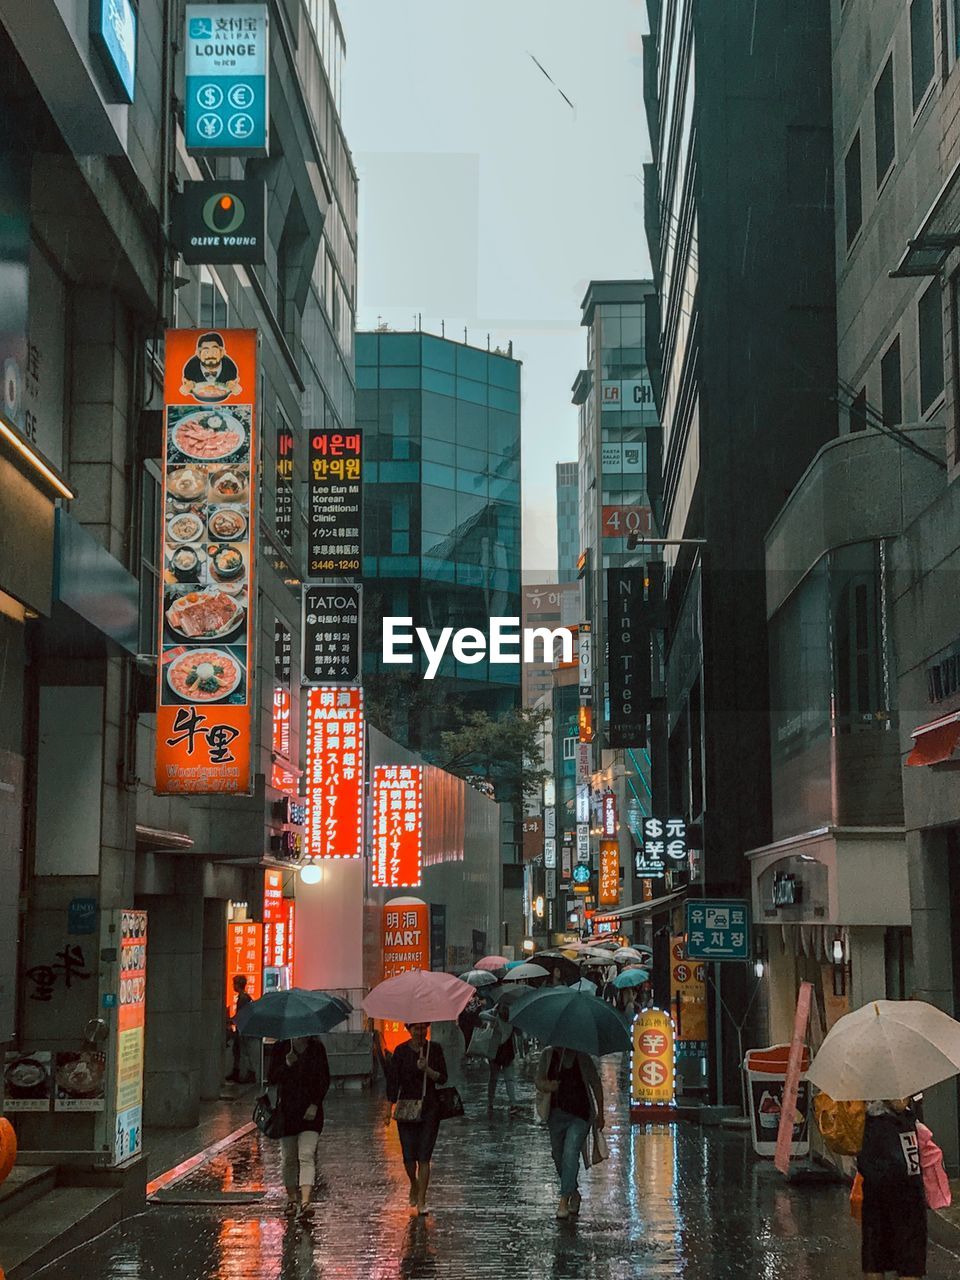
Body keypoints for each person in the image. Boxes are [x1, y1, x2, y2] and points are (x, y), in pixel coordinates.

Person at [857, 1097, 926, 1280]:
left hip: (872, 1162)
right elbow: (899, 1103)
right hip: (901, 1171)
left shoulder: (859, 1078)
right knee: (910, 1250)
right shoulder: (897, 1074)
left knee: (874, 1244)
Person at [385, 1023, 448, 1216]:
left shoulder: (434, 1049)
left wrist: (427, 1069)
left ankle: (422, 1199)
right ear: (409, 1030)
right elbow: (393, 1080)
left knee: (424, 1156)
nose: (420, 1033)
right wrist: (389, 1107)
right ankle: (414, 1183)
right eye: (416, 1029)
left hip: (429, 1108)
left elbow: (443, 1078)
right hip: (407, 1109)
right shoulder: (401, 1051)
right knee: (409, 1156)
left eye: (423, 1029)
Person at [535, 1046, 604, 1220]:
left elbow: (595, 1083)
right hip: (555, 1115)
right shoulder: (548, 1055)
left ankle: (564, 1200)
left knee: (570, 1154)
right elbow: (538, 1080)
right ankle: (573, 1191)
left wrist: (601, 1112)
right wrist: (548, 1085)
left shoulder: (583, 1057)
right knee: (558, 1156)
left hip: (579, 1115)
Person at [267, 1036, 331, 1218]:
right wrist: (286, 1065)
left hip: (311, 1113)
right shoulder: (281, 1047)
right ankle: (292, 1199)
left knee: (306, 1155)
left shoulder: (316, 1048)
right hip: (287, 1113)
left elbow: (324, 1079)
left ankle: (305, 1201)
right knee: (288, 1158)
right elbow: (271, 1078)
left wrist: (315, 1103)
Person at [180, 331, 241, 398]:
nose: (210, 355)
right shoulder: (190, 368)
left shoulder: (230, 368)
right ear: (198, 354)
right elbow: (188, 384)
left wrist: (233, 386)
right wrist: (188, 386)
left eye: (214, 351)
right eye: (206, 351)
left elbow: (231, 382)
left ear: (222, 352)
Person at [487, 1004, 520, 1112]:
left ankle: (512, 1103)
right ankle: (493, 1102)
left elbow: (519, 1033)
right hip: (499, 1052)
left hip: (502, 1052)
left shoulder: (510, 1019)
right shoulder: (509, 1018)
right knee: (496, 1079)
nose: (505, 1011)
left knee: (502, 1079)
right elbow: (481, 1014)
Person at [226, 975, 255, 1084]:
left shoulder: (242, 998)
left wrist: (231, 1020)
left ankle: (243, 1073)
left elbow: (241, 1014)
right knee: (238, 1050)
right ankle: (237, 1072)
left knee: (242, 1051)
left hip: (243, 1028)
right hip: (243, 1027)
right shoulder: (245, 997)